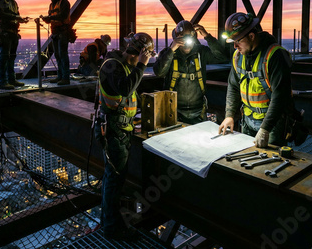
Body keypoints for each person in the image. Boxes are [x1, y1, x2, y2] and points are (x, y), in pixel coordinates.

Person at [94, 32, 154, 241]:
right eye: (145, 54)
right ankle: (111, 229)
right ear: (141, 52)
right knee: (113, 181)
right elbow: (125, 88)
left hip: (121, 128)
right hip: (113, 130)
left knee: (115, 181)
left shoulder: (124, 66)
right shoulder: (113, 64)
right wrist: (142, 65)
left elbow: (127, 96)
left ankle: (111, 223)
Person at [218, 12, 294, 147]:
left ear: (252, 36)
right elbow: (233, 87)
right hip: (247, 120)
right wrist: (229, 115)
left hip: (272, 124)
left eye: (238, 41)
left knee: (270, 163)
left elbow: (280, 95)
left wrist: (265, 129)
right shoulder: (238, 56)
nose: (235, 46)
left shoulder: (275, 55)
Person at [153, 20, 227, 124]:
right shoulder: (168, 53)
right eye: (183, 40)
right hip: (173, 110)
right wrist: (171, 50)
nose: (187, 44)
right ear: (176, 39)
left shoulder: (200, 52)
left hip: (198, 111)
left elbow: (222, 57)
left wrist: (207, 36)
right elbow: (159, 72)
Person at [0, 0, 29, 90]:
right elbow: (3, 14)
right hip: (5, 33)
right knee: (4, 57)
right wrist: (17, 18)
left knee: (11, 57)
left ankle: (11, 80)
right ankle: (3, 82)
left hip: (13, 33)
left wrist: (21, 20)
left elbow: (16, 15)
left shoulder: (14, 3)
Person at [40, 0, 72, 85]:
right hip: (55, 33)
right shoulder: (52, 5)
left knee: (63, 55)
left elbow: (63, 16)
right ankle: (60, 76)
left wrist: (50, 18)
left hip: (63, 32)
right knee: (58, 55)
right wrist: (46, 19)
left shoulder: (64, 2)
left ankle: (65, 78)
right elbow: (51, 18)